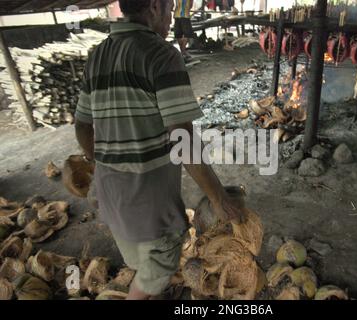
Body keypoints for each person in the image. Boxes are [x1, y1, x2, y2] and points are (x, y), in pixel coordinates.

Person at [75, 0, 244, 300]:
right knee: (161, 262)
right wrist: (218, 198)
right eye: (170, 9)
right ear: (154, 6)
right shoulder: (161, 55)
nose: (171, 19)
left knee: (142, 264)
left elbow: (82, 127)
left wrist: (98, 164)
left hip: (110, 194)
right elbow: (181, 137)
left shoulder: (97, 55)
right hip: (149, 203)